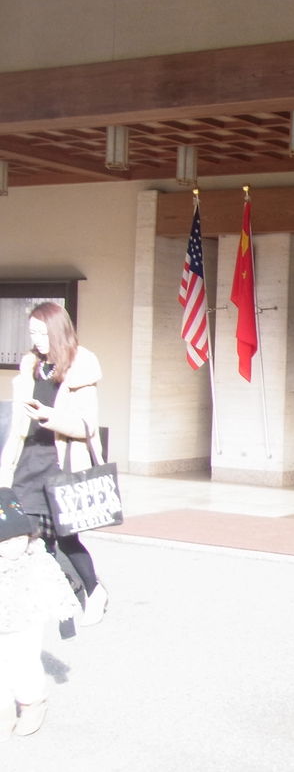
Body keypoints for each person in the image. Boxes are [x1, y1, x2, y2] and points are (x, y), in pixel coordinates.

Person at [0, 302, 109, 625]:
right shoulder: (31, 366)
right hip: (27, 459)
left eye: (42, 332)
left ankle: (94, 590)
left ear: (57, 331)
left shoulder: (80, 367)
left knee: (66, 536)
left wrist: (50, 416)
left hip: (59, 461)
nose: (36, 339)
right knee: (25, 531)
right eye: (32, 332)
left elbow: (86, 425)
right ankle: (56, 590)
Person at [0, 488, 80, 740]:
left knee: (24, 663)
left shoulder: (36, 558)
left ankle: (32, 703)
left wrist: (66, 620)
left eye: (19, 539)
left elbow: (56, 585)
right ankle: (3, 711)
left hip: (28, 620)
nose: (14, 547)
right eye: (5, 542)